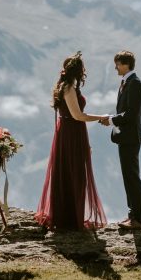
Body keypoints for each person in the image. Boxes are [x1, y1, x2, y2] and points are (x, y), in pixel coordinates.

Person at [35, 52, 107, 230]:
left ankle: (69, 215)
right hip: (71, 133)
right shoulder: (68, 88)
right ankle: (68, 218)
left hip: (71, 132)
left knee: (70, 172)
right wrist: (102, 117)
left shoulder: (66, 86)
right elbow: (78, 115)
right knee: (73, 173)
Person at [100, 51, 141, 230]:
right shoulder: (127, 82)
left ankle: (138, 219)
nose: (115, 67)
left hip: (130, 138)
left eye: (117, 64)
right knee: (128, 177)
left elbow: (131, 113)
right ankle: (132, 215)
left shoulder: (135, 83)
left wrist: (111, 120)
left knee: (132, 177)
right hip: (125, 138)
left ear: (125, 64)